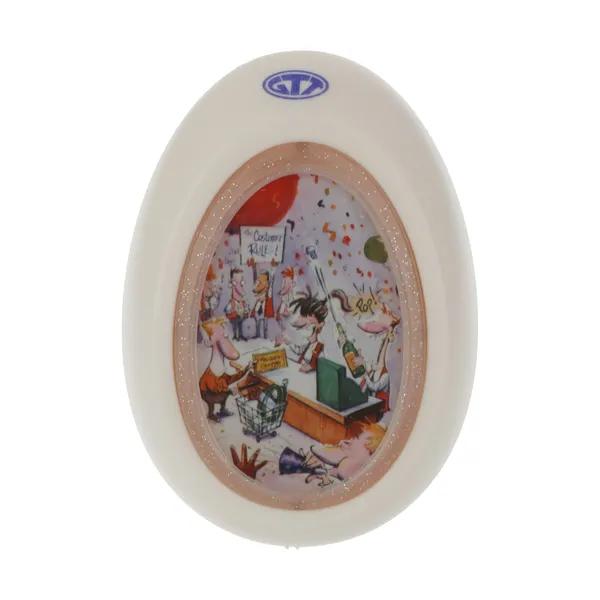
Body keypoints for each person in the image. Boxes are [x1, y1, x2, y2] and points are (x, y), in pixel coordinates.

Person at [286, 290, 328, 373]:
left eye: (310, 316)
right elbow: (301, 349)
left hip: (315, 373)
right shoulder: (311, 332)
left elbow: (321, 356)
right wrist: (289, 343)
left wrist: (311, 366)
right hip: (304, 367)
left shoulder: (321, 338)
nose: (308, 320)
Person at [225, 267, 248, 341]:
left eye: (240, 275)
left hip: (240, 302)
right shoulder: (235, 284)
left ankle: (239, 335)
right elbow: (240, 291)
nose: (240, 277)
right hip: (235, 303)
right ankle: (236, 335)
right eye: (238, 275)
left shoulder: (239, 283)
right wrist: (243, 293)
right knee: (236, 319)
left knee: (240, 319)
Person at [251, 271, 274, 338]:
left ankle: (265, 336)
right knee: (257, 320)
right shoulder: (260, 283)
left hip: (265, 304)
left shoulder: (267, 285)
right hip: (259, 303)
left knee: (265, 322)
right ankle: (258, 335)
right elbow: (254, 290)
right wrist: (257, 282)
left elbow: (257, 290)